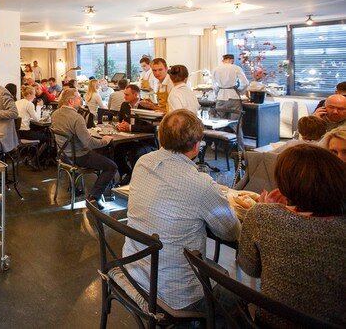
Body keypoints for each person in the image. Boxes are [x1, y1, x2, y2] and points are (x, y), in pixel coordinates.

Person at [123, 109, 240, 311]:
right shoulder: (201, 185)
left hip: (134, 270)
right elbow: (230, 232)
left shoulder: (143, 163)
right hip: (176, 294)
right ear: (196, 146)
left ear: (161, 137)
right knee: (238, 297)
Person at [238, 145, 346, 328]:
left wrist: (267, 211)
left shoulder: (261, 215)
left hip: (268, 322)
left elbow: (250, 268)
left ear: (285, 184)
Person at [51, 88, 118, 206]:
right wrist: (105, 141)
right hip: (79, 157)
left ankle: (78, 188)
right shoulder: (77, 118)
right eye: (78, 97)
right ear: (71, 101)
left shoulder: (55, 114)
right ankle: (93, 197)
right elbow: (89, 143)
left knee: (100, 154)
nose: (81, 100)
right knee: (111, 166)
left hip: (63, 156)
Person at [115, 84, 157, 182]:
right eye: (124, 94)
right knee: (116, 150)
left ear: (136, 95)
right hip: (129, 139)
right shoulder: (124, 105)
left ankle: (138, 180)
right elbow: (120, 120)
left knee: (135, 153)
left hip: (146, 141)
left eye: (127, 95)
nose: (124, 97)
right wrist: (120, 125)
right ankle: (128, 174)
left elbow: (152, 128)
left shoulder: (146, 106)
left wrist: (130, 127)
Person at [16, 85, 49, 166]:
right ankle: (34, 160)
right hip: (25, 132)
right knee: (47, 137)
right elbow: (37, 119)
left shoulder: (17, 102)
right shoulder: (29, 104)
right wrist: (39, 107)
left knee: (38, 132)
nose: (35, 96)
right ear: (29, 94)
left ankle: (30, 156)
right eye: (34, 94)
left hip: (17, 133)